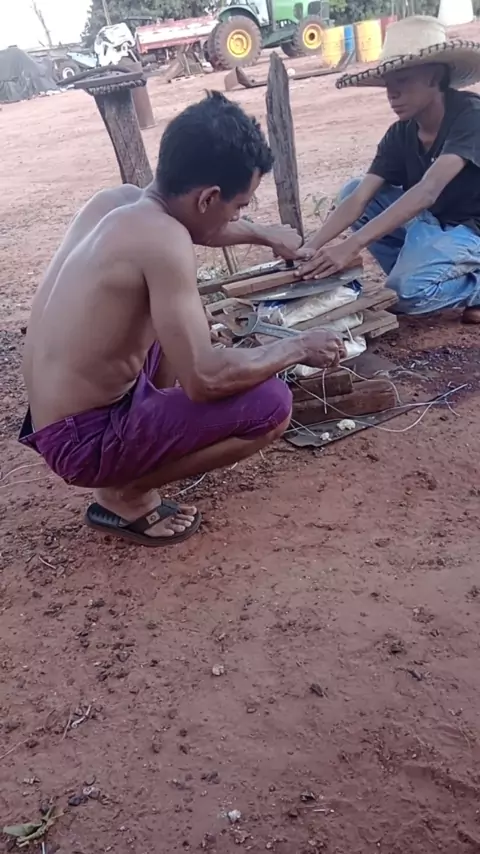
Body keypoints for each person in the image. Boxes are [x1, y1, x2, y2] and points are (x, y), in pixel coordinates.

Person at [21, 91, 343, 548]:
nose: (239, 216)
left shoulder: (119, 203)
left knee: (179, 319)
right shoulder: (164, 241)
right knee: (271, 405)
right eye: (240, 206)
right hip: (83, 442)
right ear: (209, 197)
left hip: (53, 418)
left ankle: (147, 435)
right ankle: (125, 493)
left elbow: (199, 226)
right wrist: (298, 346)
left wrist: (264, 234)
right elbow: (205, 380)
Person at [297, 16, 480, 322]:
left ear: (434, 77)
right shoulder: (401, 133)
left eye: (403, 81)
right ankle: (421, 271)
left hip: (472, 230)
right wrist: (311, 247)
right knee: (354, 190)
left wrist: (352, 245)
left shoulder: (470, 117)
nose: (391, 94)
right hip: (433, 224)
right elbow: (360, 198)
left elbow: (428, 190)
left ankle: (462, 284)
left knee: (405, 295)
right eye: (388, 84)